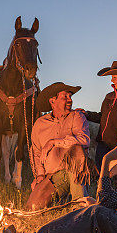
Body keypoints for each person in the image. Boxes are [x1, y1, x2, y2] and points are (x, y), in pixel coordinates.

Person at [25, 82, 92, 210]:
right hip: (53, 176)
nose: (70, 100)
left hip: (74, 171)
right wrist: (39, 176)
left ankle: (79, 207)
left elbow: (84, 139)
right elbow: (36, 152)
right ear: (52, 101)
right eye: (65, 97)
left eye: (70, 96)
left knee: (77, 150)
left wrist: (53, 142)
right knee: (32, 208)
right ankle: (64, 201)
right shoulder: (40, 123)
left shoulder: (77, 116)